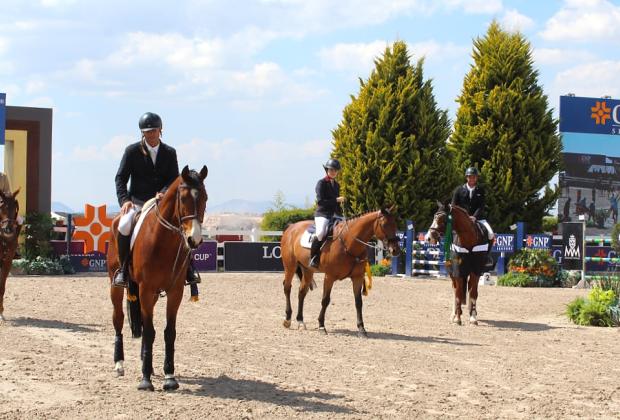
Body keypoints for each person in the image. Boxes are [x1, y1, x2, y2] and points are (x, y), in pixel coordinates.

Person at [113, 112, 200, 288]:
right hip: (138, 201)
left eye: (154, 130)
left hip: (162, 202)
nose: (151, 134)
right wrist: (125, 201)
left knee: (183, 227)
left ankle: (189, 268)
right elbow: (120, 178)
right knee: (123, 225)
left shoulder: (169, 152)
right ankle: (123, 270)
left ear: (161, 130)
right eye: (147, 132)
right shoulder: (132, 151)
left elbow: (174, 179)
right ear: (142, 133)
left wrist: (164, 192)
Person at [451, 167, 494, 259]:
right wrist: (463, 217)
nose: (472, 179)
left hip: (478, 218)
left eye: (474, 177)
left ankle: (487, 256)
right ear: (467, 177)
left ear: (476, 178)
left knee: (490, 234)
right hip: (461, 220)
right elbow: (454, 206)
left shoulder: (480, 190)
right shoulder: (458, 190)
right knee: (449, 231)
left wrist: (474, 217)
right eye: (470, 177)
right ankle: (450, 255)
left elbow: (481, 206)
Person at [309, 158, 345, 268]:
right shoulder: (321, 183)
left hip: (334, 215)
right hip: (322, 214)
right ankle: (313, 257)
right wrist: (336, 200)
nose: (333, 172)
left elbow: (336, 204)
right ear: (327, 170)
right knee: (320, 233)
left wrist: (342, 214)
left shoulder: (337, 185)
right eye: (331, 170)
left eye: (335, 170)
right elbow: (321, 201)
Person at [0, 171, 23, 258]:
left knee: (20, 220)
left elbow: (7, 191)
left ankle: (14, 245)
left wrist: (6, 198)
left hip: (2, 202)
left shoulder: (3, 176)